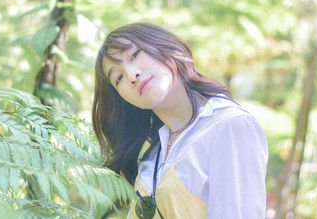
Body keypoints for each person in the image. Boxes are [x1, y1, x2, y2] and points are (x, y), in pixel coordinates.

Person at [92, 22, 268, 218]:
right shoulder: (153, 156)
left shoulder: (229, 126)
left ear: (161, 44)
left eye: (134, 55)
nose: (132, 75)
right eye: (118, 78)